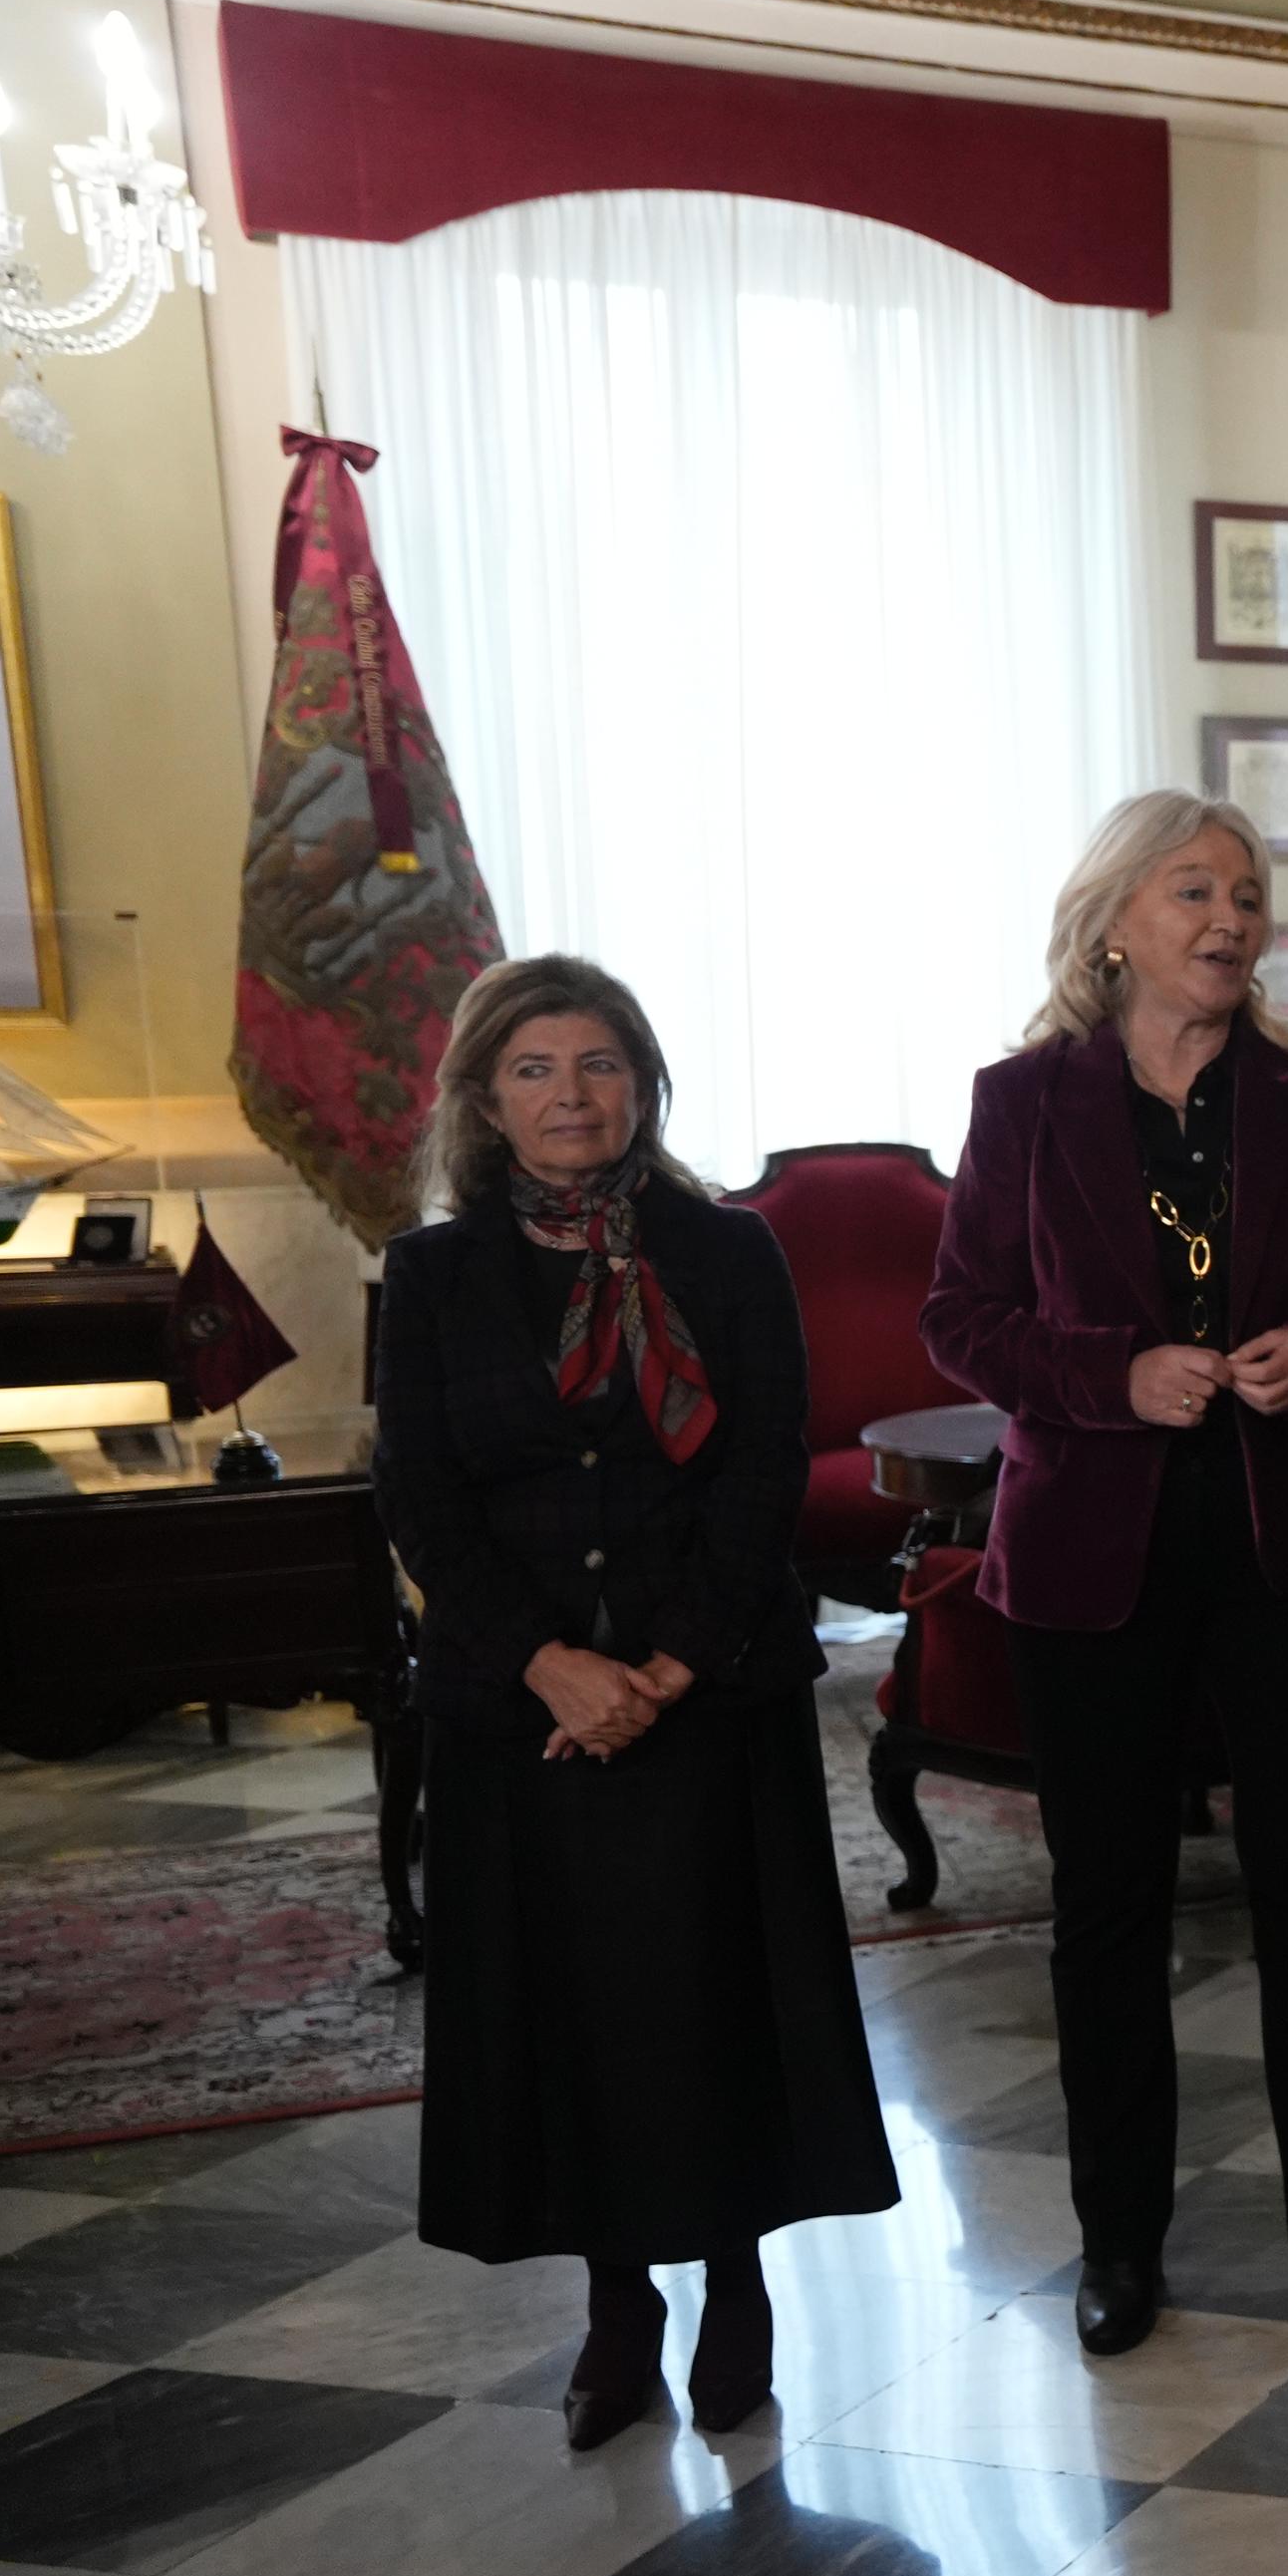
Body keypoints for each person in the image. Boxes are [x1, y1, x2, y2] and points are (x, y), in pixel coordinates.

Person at [922, 792, 1288, 2358]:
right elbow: (965, 1318)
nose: (1229, 920)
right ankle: (1118, 2245)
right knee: (1108, 1912)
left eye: (1247, 892)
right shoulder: (1024, 1100)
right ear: (1115, 920)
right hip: (1094, 1552)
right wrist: (1111, 1375)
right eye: (1193, 890)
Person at [377, 956, 896, 2450]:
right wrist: (551, 1663)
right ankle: (620, 2308)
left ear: (645, 1085)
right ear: (486, 1098)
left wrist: (664, 1661)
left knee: (713, 1997)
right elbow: (421, 1495)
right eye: (534, 1068)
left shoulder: (728, 1254)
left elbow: (765, 1463)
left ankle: (736, 2281)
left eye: (599, 1063)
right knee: (574, 2016)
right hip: (520, 1707)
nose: (571, 1095)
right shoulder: (433, 1275)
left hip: (711, 1687)